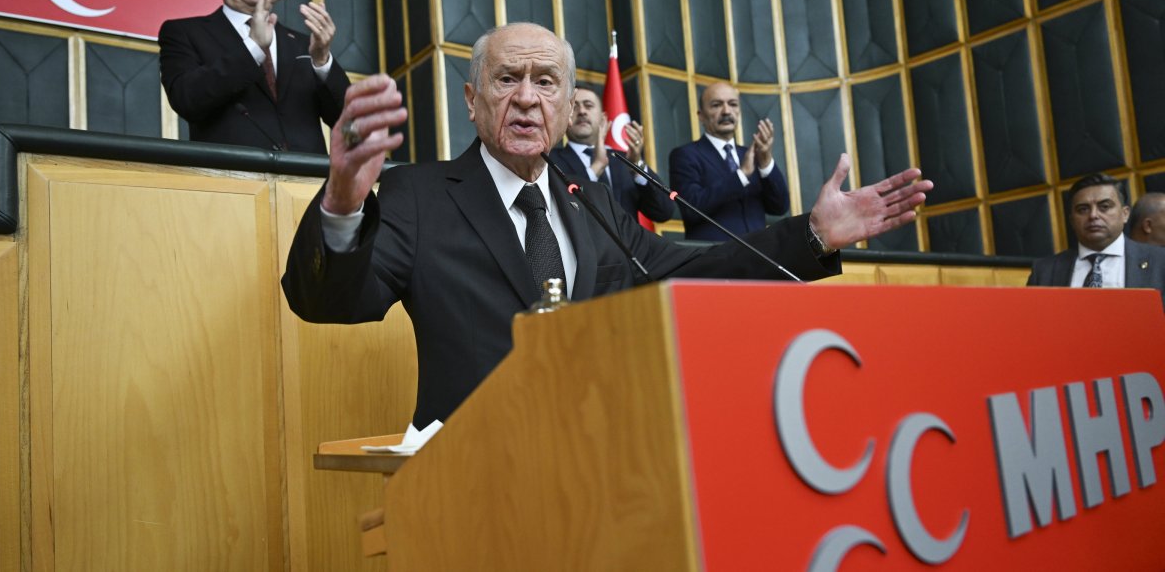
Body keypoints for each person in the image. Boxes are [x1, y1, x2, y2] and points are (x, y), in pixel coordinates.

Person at [281, 23, 933, 429]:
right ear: (473, 101)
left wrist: (812, 234)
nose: (527, 97)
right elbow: (329, 301)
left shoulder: (588, 201)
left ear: (568, 107)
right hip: (473, 484)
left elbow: (696, 267)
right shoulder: (418, 196)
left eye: (546, 82)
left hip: (599, 468)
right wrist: (341, 202)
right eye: (507, 79)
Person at [159, 0, 350, 153]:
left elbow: (350, 125)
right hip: (232, 173)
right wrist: (253, 48)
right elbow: (186, 100)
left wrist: (322, 61)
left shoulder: (303, 45)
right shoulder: (184, 32)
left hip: (308, 175)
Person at [669, 81, 791, 241]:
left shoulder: (752, 154)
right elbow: (690, 209)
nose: (726, 111)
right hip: (715, 254)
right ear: (701, 116)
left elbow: (780, 207)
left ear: (739, 112)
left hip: (757, 253)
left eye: (733, 104)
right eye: (716, 105)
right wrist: (741, 175)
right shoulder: (685, 155)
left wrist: (766, 163)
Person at [1027, 174, 1165, 309]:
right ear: (1072, 220)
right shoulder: (1044, 271)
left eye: (1104, 207)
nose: (1093, 215)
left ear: (1125, 214)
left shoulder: (1160, 261)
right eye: (1083, 209)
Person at [547, 85, 673, 222]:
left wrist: (637, 166)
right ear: (565, 117)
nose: (582, 111)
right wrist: (596, 168)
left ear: (603, 119)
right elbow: (560, 207)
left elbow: (664, 211)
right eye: (575, 107)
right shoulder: (549, 160)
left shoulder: (625, 160)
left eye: (588, 106)